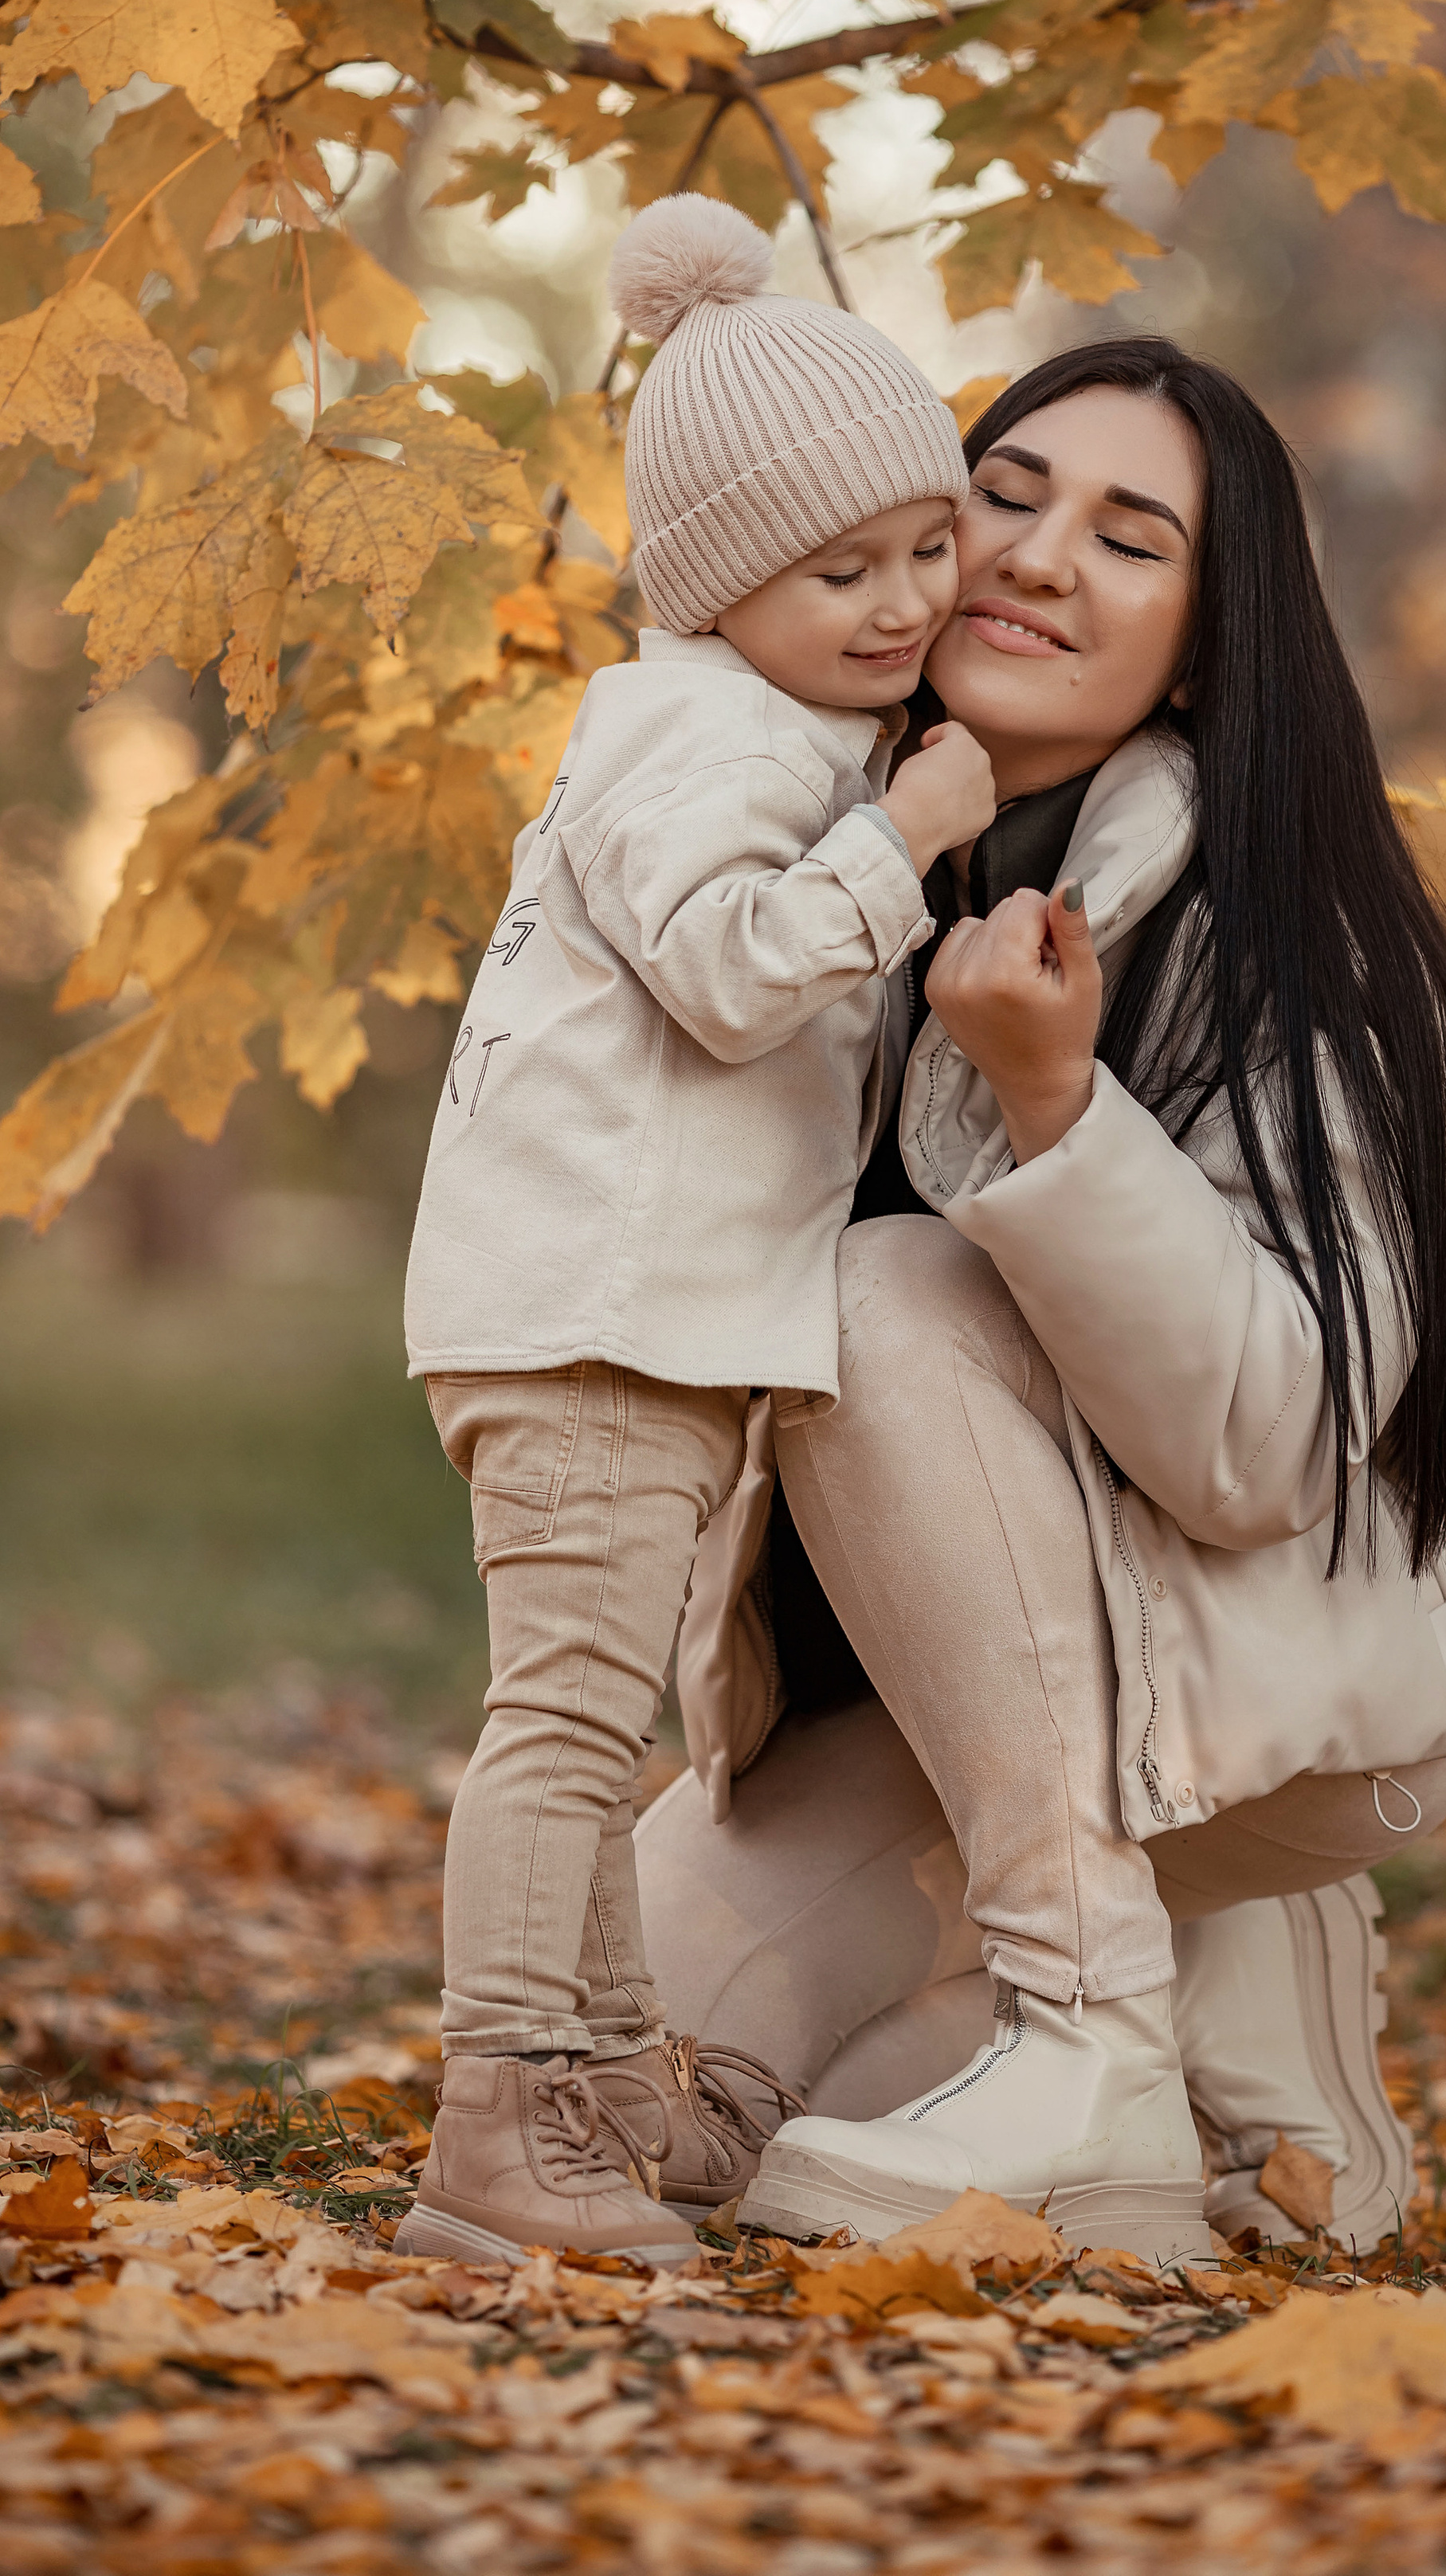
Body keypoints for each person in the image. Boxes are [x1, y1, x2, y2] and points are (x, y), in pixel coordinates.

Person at [636, 339, 1446, 2269]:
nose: (1037, 556)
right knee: (652, 2099)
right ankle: (1234, 2004)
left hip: (1289, 1670)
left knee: (888, 1295)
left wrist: (1059, 1106)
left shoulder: (1294, 944)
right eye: (1003, 495)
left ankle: (1096, 2036)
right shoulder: (800, 866)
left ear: (1202, 648)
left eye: (1128, 538)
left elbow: (1269, 1452)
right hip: (968, 1686)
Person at [396, 195, 996, 2269]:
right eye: (842, 570)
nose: (904, 600)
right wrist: (905, 842)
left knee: (599, 1716)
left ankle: (610, 2082)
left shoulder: (769, 725)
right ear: (720, 584)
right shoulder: (699, 736)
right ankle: (500, 2120)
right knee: (564, 1724)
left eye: (927, 545)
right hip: (589, 1310)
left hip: (628, 1311)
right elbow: (732, 974)